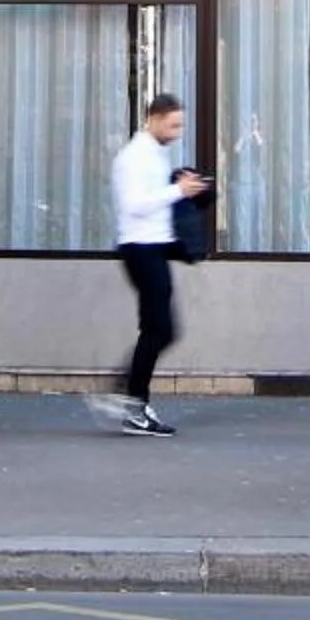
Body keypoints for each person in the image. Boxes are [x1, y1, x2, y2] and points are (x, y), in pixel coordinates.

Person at [103, 93, 208, 437]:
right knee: (159, 330)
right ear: (155, 118)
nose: (178, 132)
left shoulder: (155, 155)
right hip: (140, 250)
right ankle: (132, 400)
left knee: (158, 329)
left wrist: (183, 186)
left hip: (154, 248)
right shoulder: (134, 157)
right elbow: (135, 206)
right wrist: (178, 191)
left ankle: (131, 396)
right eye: (174, 124)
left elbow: (157, 204)